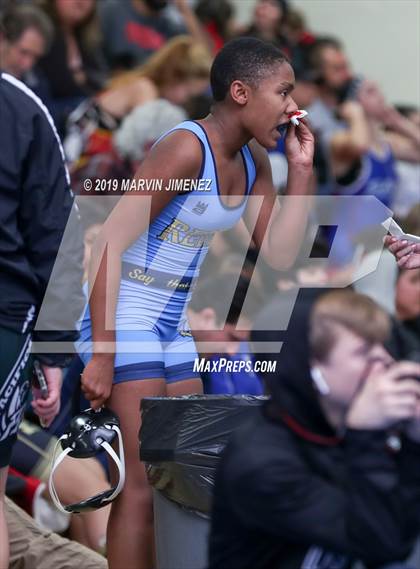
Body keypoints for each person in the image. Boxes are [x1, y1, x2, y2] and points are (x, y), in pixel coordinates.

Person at [78, 37, 314, 569]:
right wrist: (102, 350)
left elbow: (278, 254)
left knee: (176, 475)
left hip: (170, 321)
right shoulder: (187, 147)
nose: (292, 107)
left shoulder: (257, 160)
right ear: (239, 92)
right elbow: (109, 243)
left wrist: (300, 170)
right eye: (283, 91)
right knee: (141, 482)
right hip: (125, 314)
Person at [209, 289, 420, 568]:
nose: (385, 360)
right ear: (311, 368)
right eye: (364, 351)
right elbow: (383, 542)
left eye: (382, 345)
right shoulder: (261, 462)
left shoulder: (345, 427)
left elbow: (404, 526)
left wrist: (414, 440)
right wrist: (365, 438)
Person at [0, 69, 84, 566]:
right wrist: (53, 351)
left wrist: (52, 348)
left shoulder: (20, 106)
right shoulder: (21, 104)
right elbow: (59, 237)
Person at [0, 3, 52, 81]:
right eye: (23, 52)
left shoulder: (36, 81)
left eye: (35, 57)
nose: (28, 64)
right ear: (2, 38)